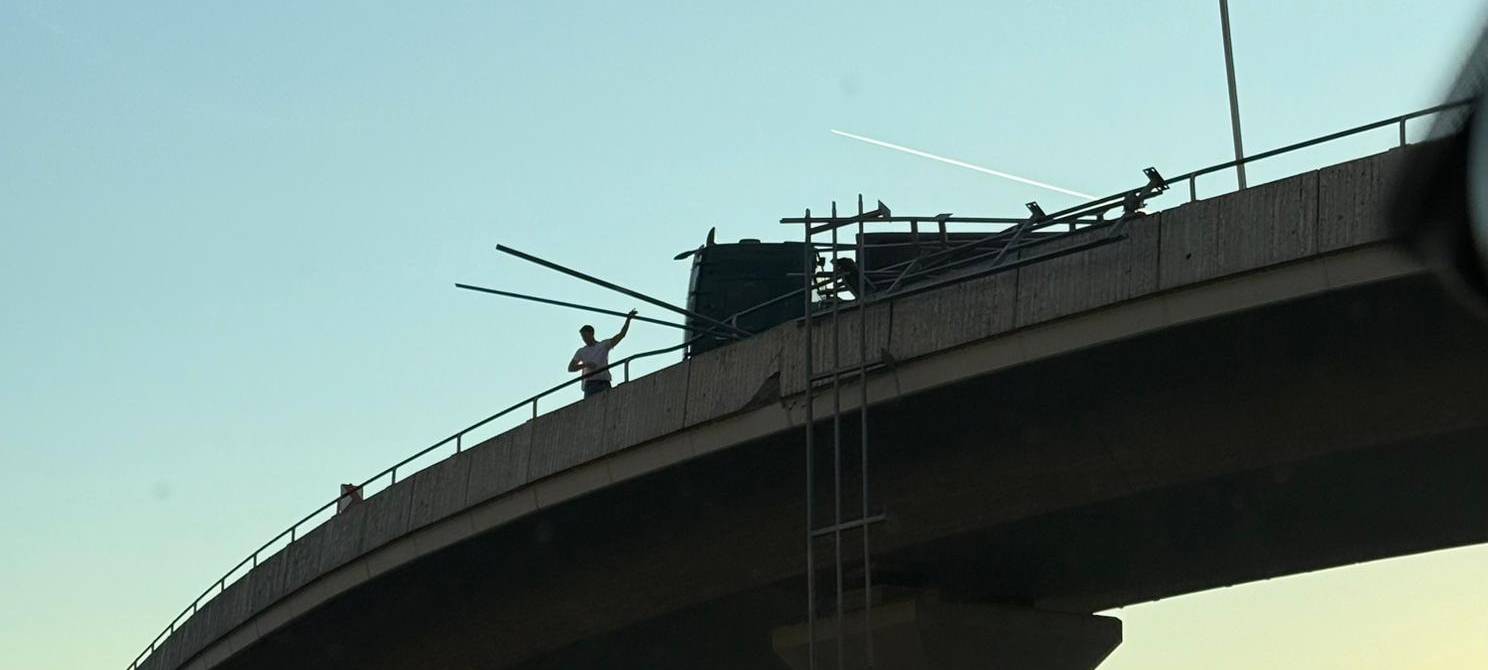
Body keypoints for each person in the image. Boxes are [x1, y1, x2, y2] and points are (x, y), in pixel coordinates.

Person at [569, 309, 637, 398]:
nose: (584, 339)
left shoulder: (603, 345)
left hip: (604, 382)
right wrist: (585, 364)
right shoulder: (581, 351)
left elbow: (621, 335)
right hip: (590, 385)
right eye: (582, 337)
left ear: (592, 334)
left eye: (585, 336)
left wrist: (628, 320)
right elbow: (571, 368)